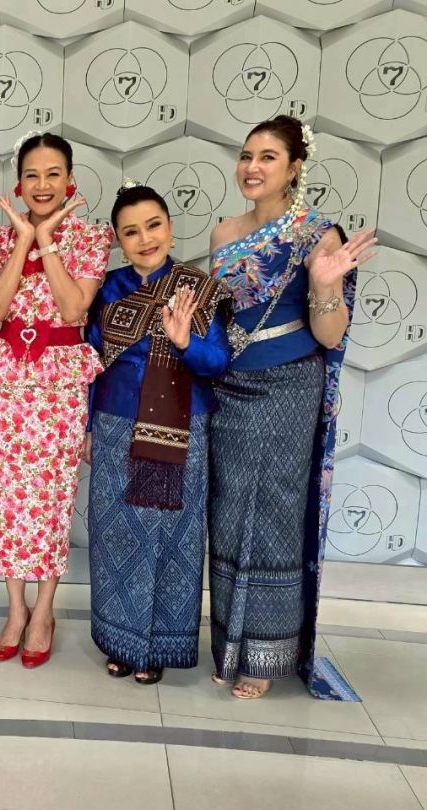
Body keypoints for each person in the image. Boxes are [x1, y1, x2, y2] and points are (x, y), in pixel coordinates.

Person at [208, 116, 376, 700]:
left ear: (294, 167)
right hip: (228, 386)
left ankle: (266, 655)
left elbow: (329, 334)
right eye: (246, 155)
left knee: (273, 516)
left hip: (286, 388)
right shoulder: (224, 233)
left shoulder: (317, 236)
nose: (252, 167)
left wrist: (325, 285)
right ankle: (230, 646)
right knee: (229, 513)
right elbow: (220, 318)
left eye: (268, 157)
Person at [0, 131, 111, 668]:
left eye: (54, 174)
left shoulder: (90, 238)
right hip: (8, 378)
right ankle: (15, 610)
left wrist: (48, 241)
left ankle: (44, 612)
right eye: (32, 174)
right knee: (5, 496)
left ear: (70, 180)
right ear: (18, 182)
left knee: (51, 497)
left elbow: (74, 309)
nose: (43, 184)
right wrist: (23, 240)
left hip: (60, 381)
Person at [86, 183, 230, 685]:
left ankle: (158, 646)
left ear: (169, 227)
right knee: (116, 536)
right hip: (115, 424)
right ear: (117, 239)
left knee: (174, 538)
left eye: (153, 226)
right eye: (131, 232)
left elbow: (217, 362)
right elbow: (90, 361)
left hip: (182, 427)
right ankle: (120, 642)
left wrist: (186, 342)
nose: (145, 239)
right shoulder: (106, 288)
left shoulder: (197, 288)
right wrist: (87, 426)